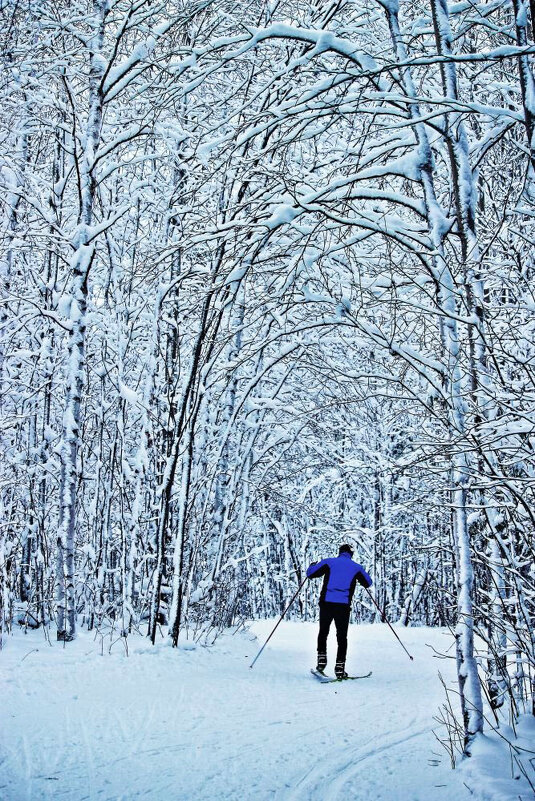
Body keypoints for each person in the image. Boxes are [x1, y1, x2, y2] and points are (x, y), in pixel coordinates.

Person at [307, 543, 372, 679]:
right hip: (343, 606)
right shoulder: (356, 567)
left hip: (327, 604)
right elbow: (368, 582)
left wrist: (312, 565)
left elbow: (311, 574)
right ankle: (340, 668)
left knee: (323, 632)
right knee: (342, 637)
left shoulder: (329, 562)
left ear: (340, 552)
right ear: (351, 554)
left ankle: (321, 661)